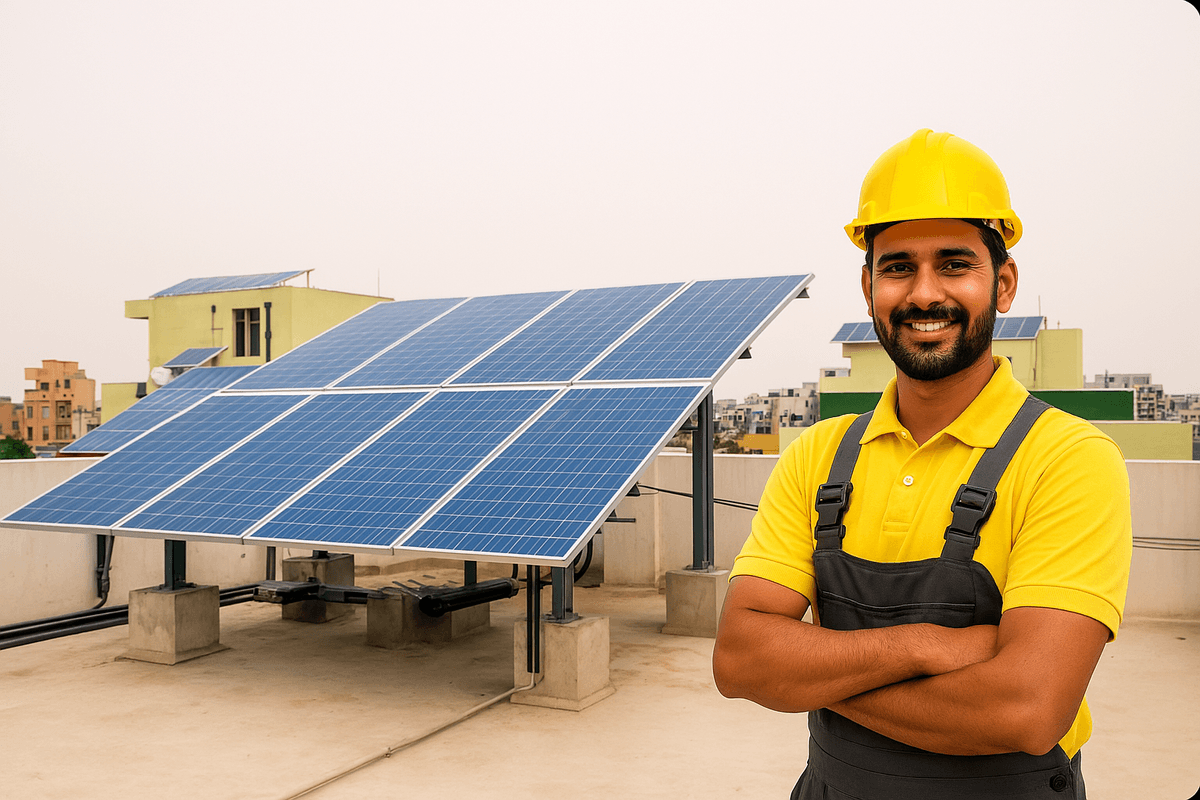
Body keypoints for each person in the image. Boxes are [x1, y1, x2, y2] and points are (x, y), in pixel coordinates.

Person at [712, 129, 1132, 799]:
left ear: (1004, 283)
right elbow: (738, 660)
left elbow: (1026, 709)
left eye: (955, 263)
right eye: (899, 265)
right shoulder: (818, 456)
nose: (924, 293)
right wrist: (922, 647)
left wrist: (811, 671)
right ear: (868, 284)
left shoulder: (1069, 461)